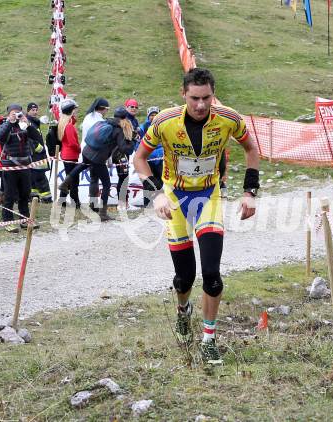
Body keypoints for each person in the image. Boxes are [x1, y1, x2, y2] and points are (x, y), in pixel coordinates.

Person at [133, 68, 260, 364]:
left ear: (213, 95)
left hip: (209, 196)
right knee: (185, 277)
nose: (201, 105)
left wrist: (250, 192)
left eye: (206, 98)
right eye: (194, 98)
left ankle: (208, 338)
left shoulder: (229, 118)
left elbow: (251, 149)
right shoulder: (164, 121)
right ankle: (182, 311)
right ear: (183, 95)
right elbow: (139, 157)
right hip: (175, 198)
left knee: (212, 275)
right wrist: (157, 193)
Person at [59, 106, 135, 221]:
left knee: (83, 166)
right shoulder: (119, 129)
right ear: (125, 118)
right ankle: (102, 213)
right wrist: (132, 140)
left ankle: (65, 183)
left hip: (87, 150)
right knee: (106, 184)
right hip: (98, 158)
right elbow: (125, 149)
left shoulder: (105, 121)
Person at [0, 103, 42, 232]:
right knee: (9, 195)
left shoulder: (24, 125)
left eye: (18, 113)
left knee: (25, 194)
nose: (16, 115)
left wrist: (27, 123)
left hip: (25, 165)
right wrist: (10, 122)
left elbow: (37, 137)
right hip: (10, 166)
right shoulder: (5, 125)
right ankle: (8, 221)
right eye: (14, 113)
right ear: (9, 114)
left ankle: (25, 219)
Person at [26, 102, 52, 203]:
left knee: (34, 177)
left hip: (38, 155)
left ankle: (34, 198)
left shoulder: (35, 121)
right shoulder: (27, 122)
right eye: (33, 110)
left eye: (36, 110)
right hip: (35, 154)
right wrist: (38, 148)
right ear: (28, 111)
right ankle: (47, 199)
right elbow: (27, 138)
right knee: (40, 177)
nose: (35, 112)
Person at [58, 99, 81, 208]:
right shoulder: (69, 126)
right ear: (71, 111)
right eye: (75, 110)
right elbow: (72, 143)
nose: (76, 112)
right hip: (71, 155)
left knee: (69, 179)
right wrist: (79, 149)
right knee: (73, 180)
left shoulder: (64, 123)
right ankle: (75, 202)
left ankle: (62, 201)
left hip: (66, 154)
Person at [139, 106, 163, 207]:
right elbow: (139, 144)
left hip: (160, 158)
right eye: (151, 115)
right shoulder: (143, 127)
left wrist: (161, 152)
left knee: (160, 180)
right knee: (148, 181)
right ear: (148, 116)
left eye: (155, 115)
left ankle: (157, 201)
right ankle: (146, 203)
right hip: (147, 158)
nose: (153, 117)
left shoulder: (163, 126)